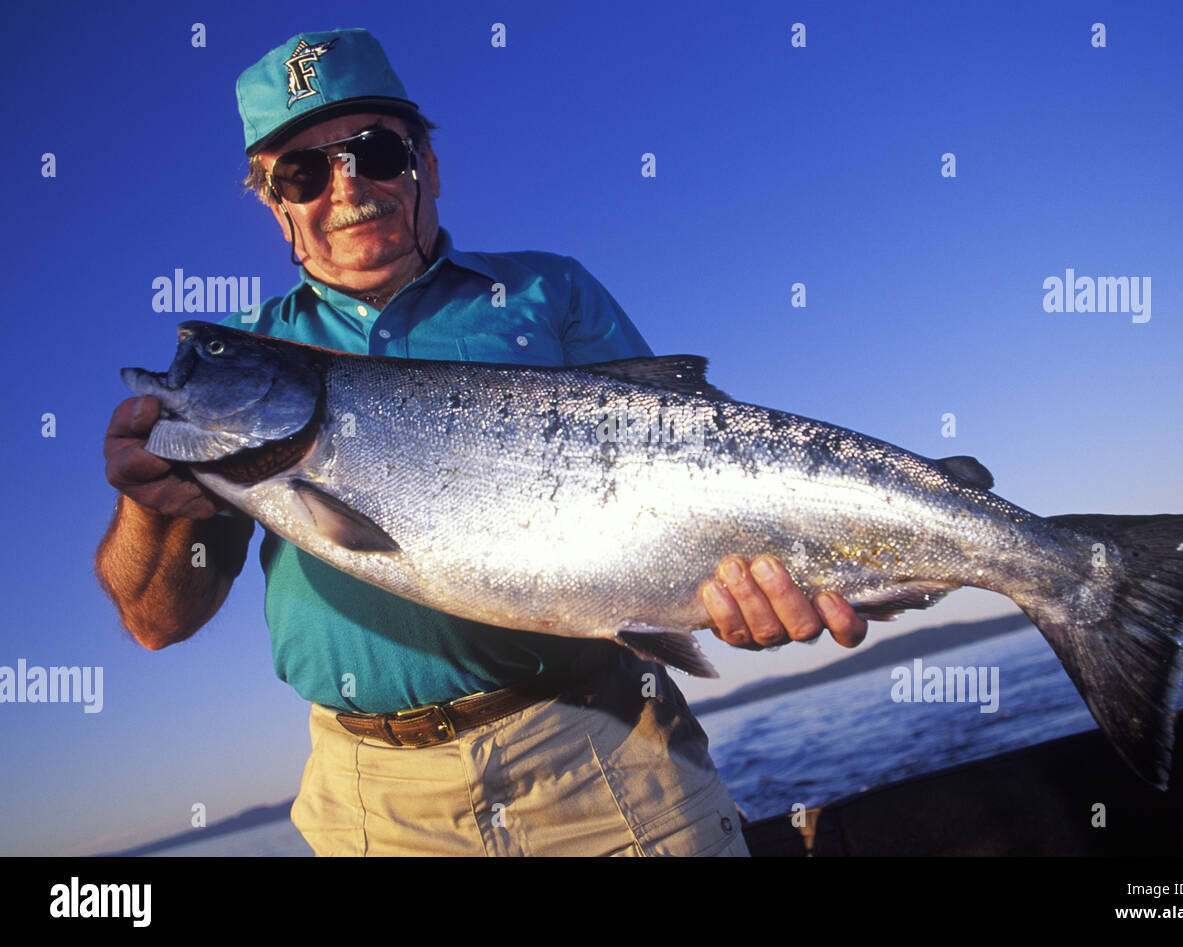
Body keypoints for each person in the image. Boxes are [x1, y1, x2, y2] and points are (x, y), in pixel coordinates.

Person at [95, 29, 867, 856]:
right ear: (273, 202)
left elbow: (681, 454)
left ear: (426, 160)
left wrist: (748, 583)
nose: (347, 187)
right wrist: (154, 510)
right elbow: (155, 622)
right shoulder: (243, 358)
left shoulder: (547, 290)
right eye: (304, 171)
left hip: (608, 754)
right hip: (376, 803)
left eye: (376, 150)